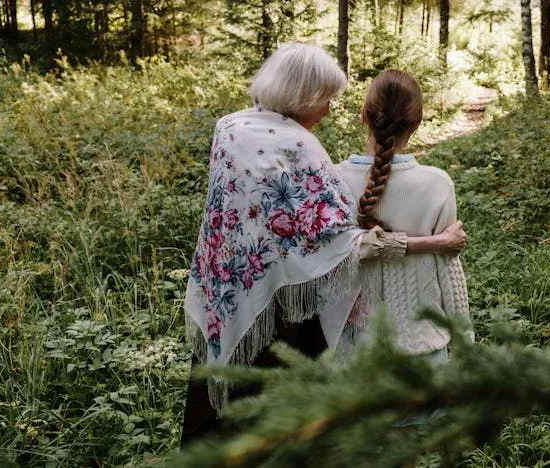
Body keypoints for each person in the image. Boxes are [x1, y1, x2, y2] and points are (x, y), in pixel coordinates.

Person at [180, 44, 467, 444]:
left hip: (232, 288)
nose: (329, 111)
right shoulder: (303, 148)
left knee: (230, 415)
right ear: (302, 97)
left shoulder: (229, 128)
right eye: (327, 100)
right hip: (284, 308)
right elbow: (344, 243)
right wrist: (435, 242)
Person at [335, 69, 473, 365]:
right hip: (423, 350)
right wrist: (464, 339)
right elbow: (448, 267)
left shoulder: (330, 180)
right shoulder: (437, 184)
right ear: (417, 123)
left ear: (365, 114)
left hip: (350, 351)